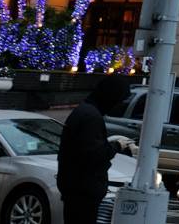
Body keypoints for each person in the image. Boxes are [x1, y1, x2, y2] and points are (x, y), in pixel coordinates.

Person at [56, 75, 133, 224]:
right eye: (119, 99)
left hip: (75, 188)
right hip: (83, 192)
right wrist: (118, 146)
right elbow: (95, 154)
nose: (119, 104)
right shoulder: (91, 117)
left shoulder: (84, 111)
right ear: (111, 96)